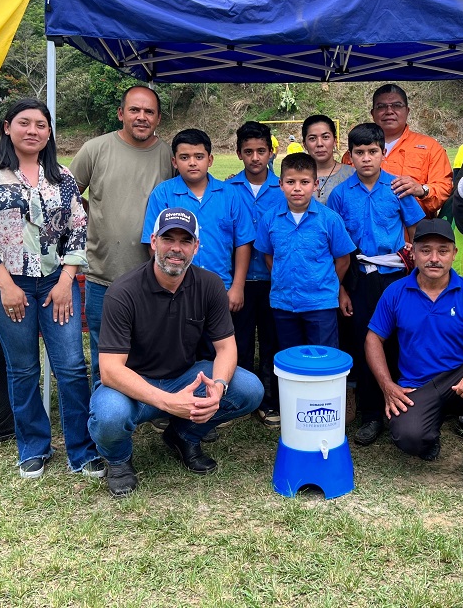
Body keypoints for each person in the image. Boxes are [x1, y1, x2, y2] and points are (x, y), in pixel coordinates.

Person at [0, 98, 104, 480]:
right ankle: (34, 448)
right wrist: (6, 285)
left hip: (57, 283)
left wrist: (65, 281)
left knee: (72, 368)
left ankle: (82, 449)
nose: (33, 131)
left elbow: (79, 226)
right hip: (5, 286)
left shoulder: (61, 175)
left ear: (49, 132)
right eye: (24, 123)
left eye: (41, 125)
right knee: (22, 368)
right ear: (7, 127)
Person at [88, 208, 264, 496]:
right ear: (154, 241)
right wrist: (169, 403)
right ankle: (119, 460)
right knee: (109, 413)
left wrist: (218, 389)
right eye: (169, 238)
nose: (176, 248)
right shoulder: (123, 291)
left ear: (196, 246)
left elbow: (226, 348)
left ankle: (182, 436)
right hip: (132, 387)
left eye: (185, 241)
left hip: (183, 379)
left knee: (248, 388)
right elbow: (110, 370)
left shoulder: (209, 285)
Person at [365, 219, 463, 495]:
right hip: (416, 386)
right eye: (426, 250)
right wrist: (387, 385)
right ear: (413, 253)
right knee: (409, 438)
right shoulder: (395, 293)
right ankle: (429, 435)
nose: (434, 258)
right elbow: (373, 339)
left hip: (460, 377)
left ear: (454, 253)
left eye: (443, 251)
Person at [69, 85, 173, 388]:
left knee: (153, 347)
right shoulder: (95, 149)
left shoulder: (167, 154)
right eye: (134, 110)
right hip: (104, 274)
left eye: (149, 112)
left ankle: (152, 406)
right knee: (106, 353)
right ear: (121, 114)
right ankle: (107, 416)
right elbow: (67, 194)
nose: (141, 117)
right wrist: (93, 215)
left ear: (158, 118)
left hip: (154, 276)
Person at [326, 123, 424, 446]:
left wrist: (415, 266)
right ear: (350, 156)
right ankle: (370, 415)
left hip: (396, 277)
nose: (366, 158)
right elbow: (334, 245)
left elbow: (418, 228)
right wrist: (341, 288)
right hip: (358, 275)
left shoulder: (397, 188)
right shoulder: (340, 195)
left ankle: (399, 409)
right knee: (364, 342)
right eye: (359, 153)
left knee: (398, 341)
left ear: (383, 153)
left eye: (372, 151)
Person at [142, 129, 253, 315]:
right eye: (184, 157)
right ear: (174, 162)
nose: (192, 163)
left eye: (199, 156)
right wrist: (168, 281)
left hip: (221, 288)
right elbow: (152, 243)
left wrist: (238, 287)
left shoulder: (230, 195)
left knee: (218, 341)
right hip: (176, 288)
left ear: (210, 160)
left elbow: (243, 242)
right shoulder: (163, 195)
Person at [255, 152, 356, 350]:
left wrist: (324, 282)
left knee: (321, 358)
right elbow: (269, 257)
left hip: (320, 305)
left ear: (315, 184)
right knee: (289, 358)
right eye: (291, 182)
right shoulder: (269, 219)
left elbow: (343, 260)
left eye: (304, 182)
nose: (297, 188)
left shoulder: (330, 219)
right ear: (281, 184)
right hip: (283, 303)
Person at [227, 122, 284, 427]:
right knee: (240, 340)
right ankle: (240, 399)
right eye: (248, 151)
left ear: (270, 152)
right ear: (238, 153)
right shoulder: (227, 188)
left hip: (275, 280)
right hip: (241, 281)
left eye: (261, 151)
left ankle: (268, 400)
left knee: (272, 341)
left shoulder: (283, 187)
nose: (255, 158)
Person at [344, 84, 453, 217]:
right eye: (381, 106)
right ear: (373, 113)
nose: (389, 111)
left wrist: (422, 189)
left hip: (415, 233)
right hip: (364, 232)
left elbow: (444, 188)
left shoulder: (430, 148)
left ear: (407, 111)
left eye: (396, 105)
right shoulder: (354, 151)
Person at [302, 114, 355, 204]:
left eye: (325, 137)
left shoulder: (352, 175)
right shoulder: (297, 176)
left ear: (335, 141)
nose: (319, 144)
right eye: (312, 138)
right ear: (305, 144)